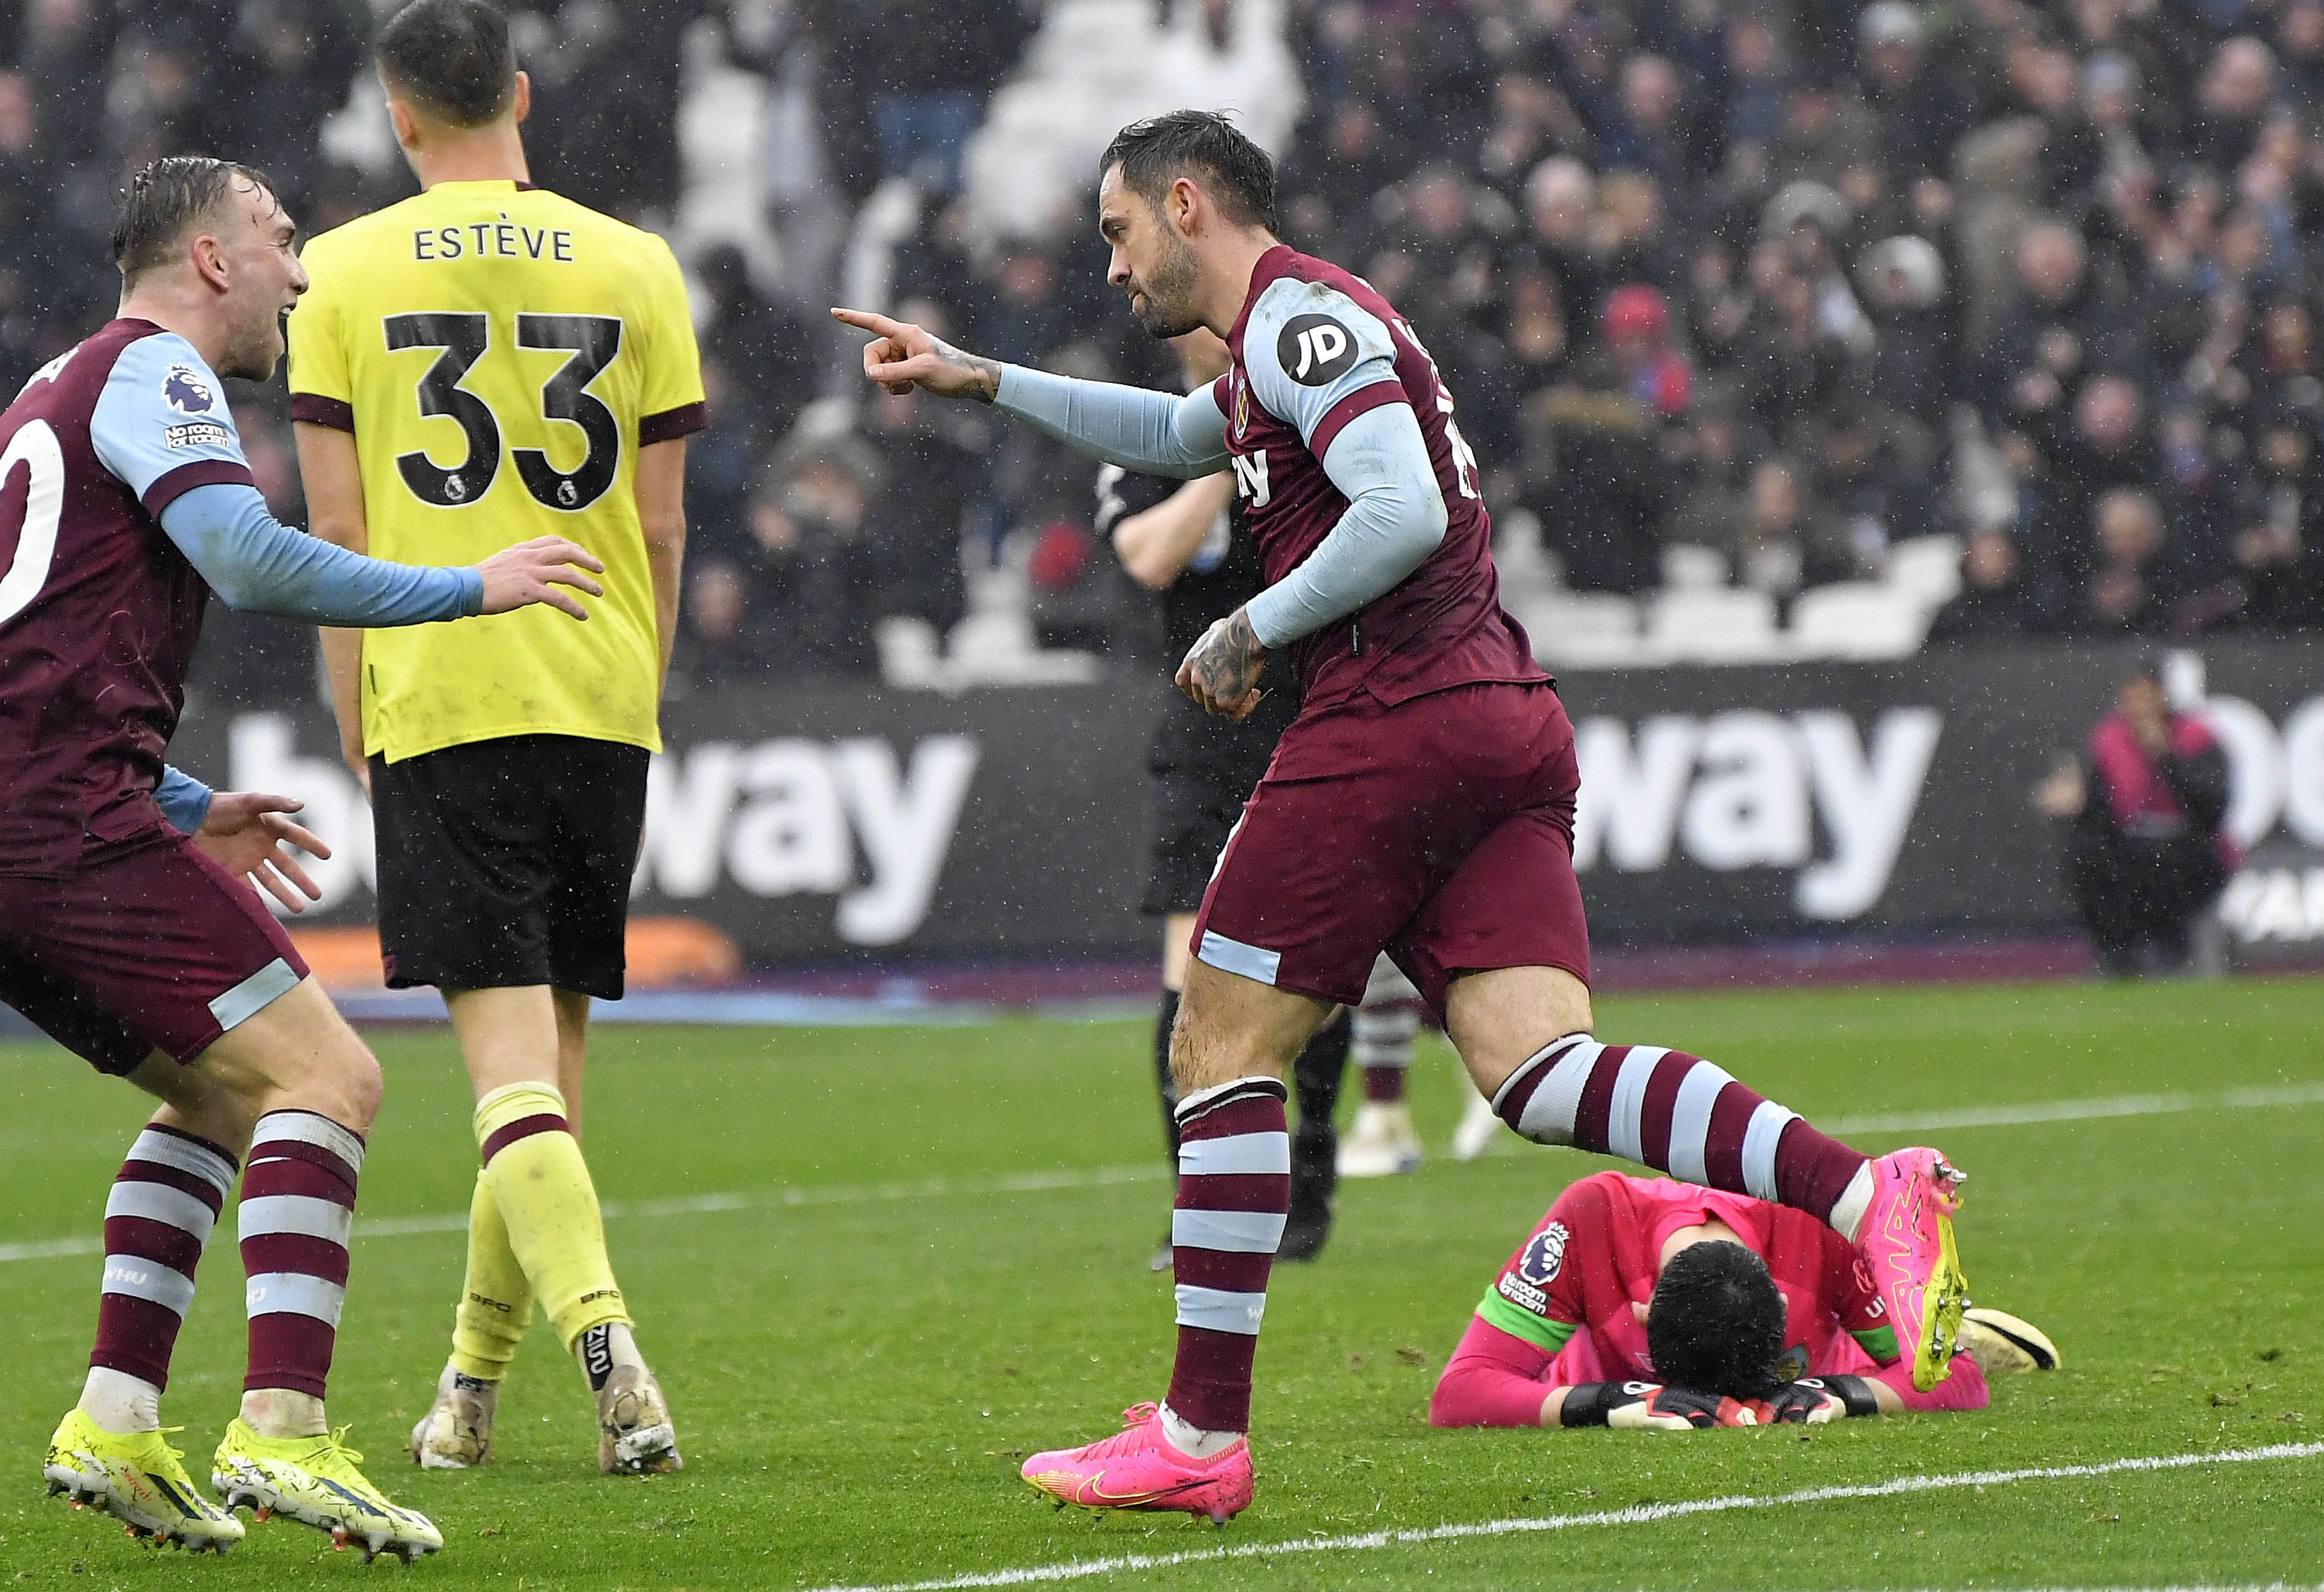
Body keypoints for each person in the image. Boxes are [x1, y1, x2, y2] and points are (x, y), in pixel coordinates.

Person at [836, 110, 1971, 1523]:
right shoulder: (1278, 344)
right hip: (1492, 710)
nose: (1112, 268)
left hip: (1391, 709)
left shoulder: (1302, 323)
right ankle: (1864, 1196)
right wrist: (979, 377)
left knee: (1216, 1041)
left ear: (1186, 205)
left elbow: (1405, 507)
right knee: (1537, 1070)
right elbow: (1175, 435)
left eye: (1119, 232)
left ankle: (1198, 1429)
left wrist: (1255, 620)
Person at [0, 154, 606, 1559]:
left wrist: (176, 796)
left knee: (225, 1096)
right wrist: (468, 586)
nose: (301, 269)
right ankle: (282, 1425)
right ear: (210, 259)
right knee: (331, 1077)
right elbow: (249, 557)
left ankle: (115, 1418)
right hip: (53, 821)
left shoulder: (50, 388)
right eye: (279, 239)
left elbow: (25, 653)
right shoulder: (156, 370)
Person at [288, 0, 703, 1479]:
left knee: (506, 1075)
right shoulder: (636, 263)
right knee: (551, 1078)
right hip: (596, 684)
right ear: (520, 95)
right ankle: (466, 1387)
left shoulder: (335, 273)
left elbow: (333, 529)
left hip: (443, 683)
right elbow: (662, 523)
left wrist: (352, 702)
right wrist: (634, 676)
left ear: (398, 116)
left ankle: (611, 1349)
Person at [1098, 326, 1358, 1266]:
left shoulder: (1307, 429)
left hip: (1308, 724)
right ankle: (1199, 1207)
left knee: (1315, 970)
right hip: (1201, 740)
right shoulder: (1145, 432)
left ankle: (1309, 1181)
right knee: (1190, 973)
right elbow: (1145, 557)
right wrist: (1219, 454)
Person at [1427, 1171, 2058, 1429]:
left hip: (1832, 1357)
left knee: (1923, 1353)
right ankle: (1934, 1324)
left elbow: (1962, 1382)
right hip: (1605, 1372)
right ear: (1644, 1313)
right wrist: (1612, 1401)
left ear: (1781, 1308)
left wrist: (1840, 1393)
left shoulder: (1822, 1222)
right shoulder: (1591, 1216)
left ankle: (1943, 1327)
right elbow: (1460, 1391)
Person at [2035, 665, 2234, 978]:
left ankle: (2178, 952)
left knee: (2169, 865)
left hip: (2189, 848)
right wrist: (2079, 805)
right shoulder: (2111, 741)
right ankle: (2118, 957)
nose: (2140, 710)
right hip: (2132, 847)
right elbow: (2104, 809)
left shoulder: (2196, 737)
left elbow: (2211, 808)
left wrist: (2166, 756)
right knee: (2088, 855)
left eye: (2147, 699)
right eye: (2131, 700)